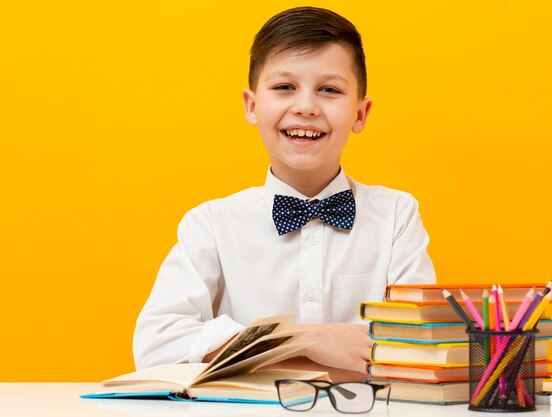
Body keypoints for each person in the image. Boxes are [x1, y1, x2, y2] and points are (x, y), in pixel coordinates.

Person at [133, 6, 436, 381]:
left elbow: (418, 346)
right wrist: (305, 340)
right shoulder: (210, 224)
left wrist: (244, 350)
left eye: (329, 89)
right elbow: (156, 344)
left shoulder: (396, 216)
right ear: (252, 106)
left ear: (361, 114)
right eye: (284, 87)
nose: (306, 107)